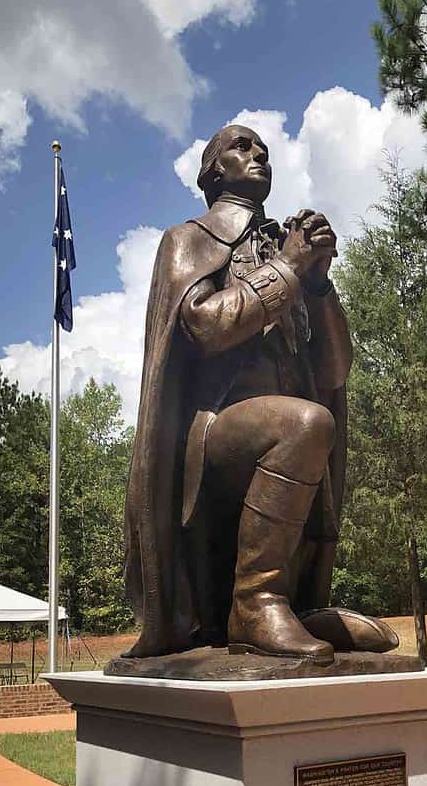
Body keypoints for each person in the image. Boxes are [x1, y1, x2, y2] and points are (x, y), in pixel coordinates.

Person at [123, 124, 352, 664]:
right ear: (213, 171)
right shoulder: (189, 239)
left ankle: (295, 606)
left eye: (264, 149)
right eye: (241, 147)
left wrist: (317, 281)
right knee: (306, 424)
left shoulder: (283, 250)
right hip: (212, 432)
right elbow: (204, 325)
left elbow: (335, 370)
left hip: (280, 428)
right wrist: (287, 267)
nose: (259, 154)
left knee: (310, 420)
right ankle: (255, 604)